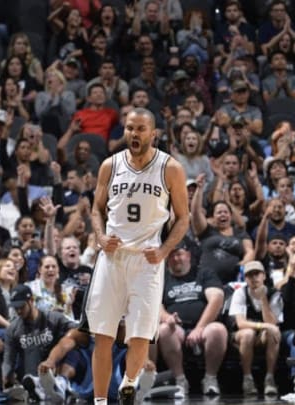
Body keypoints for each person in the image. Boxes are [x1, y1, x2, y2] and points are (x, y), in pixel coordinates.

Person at [85, 107, 189, 405]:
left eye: (141, 129)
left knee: (140, 335)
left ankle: (129, 384)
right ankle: (100, 401)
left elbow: (183, 218)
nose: (134, 133)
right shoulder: (110, 165)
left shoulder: (170, 168)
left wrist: (165, 250)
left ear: (153, 133)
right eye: (130, 128)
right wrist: (101, 236)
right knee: (103, 335)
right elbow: (96, 210)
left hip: (147, 259)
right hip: (112, 258)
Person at [156, 242, 228, 396]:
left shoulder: (204, 273)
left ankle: (210, 378)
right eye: (172, 255)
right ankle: (180, 380)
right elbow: (156, 304)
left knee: (218, 330)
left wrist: (200, 327)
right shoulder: (162, 278)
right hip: (177, 328)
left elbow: (216, 299)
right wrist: (167, 318)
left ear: (188, 256)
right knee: (163, 330)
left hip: (204, 327)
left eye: (179, 254)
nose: (176, 258)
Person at [228, 260, 282, 396]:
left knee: (273, 333)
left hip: (264, 335)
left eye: (257, 274)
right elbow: (240, 323)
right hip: (241, 335)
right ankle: (248, 379)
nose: (254, 278)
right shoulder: (240, 293)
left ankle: (270, 378)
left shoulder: (274, 293)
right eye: (250, 275)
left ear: (264, 275)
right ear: (245, 278)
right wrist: (265, 326)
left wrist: (263, 298)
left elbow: (272, 322)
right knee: (248, 334)